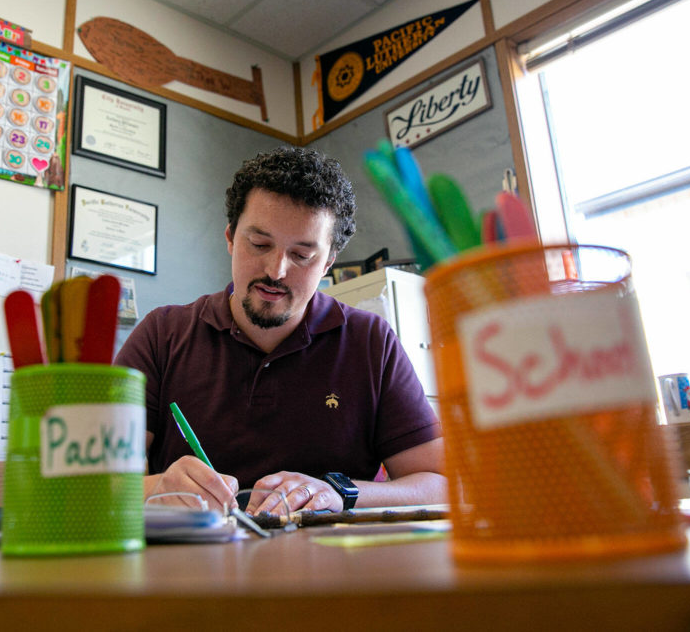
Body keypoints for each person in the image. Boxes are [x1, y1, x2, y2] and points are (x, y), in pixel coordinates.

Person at [114, 145, 444, 515]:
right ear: (230, 238)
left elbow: (438, 483)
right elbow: (85, 481)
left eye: (302, 255)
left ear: (328, 263)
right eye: (259, 244)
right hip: (189, 565)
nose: (276, 270)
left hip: (335, 567)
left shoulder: (371, 341)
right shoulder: (163, 334)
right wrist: (155, 487)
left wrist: (339, 494)